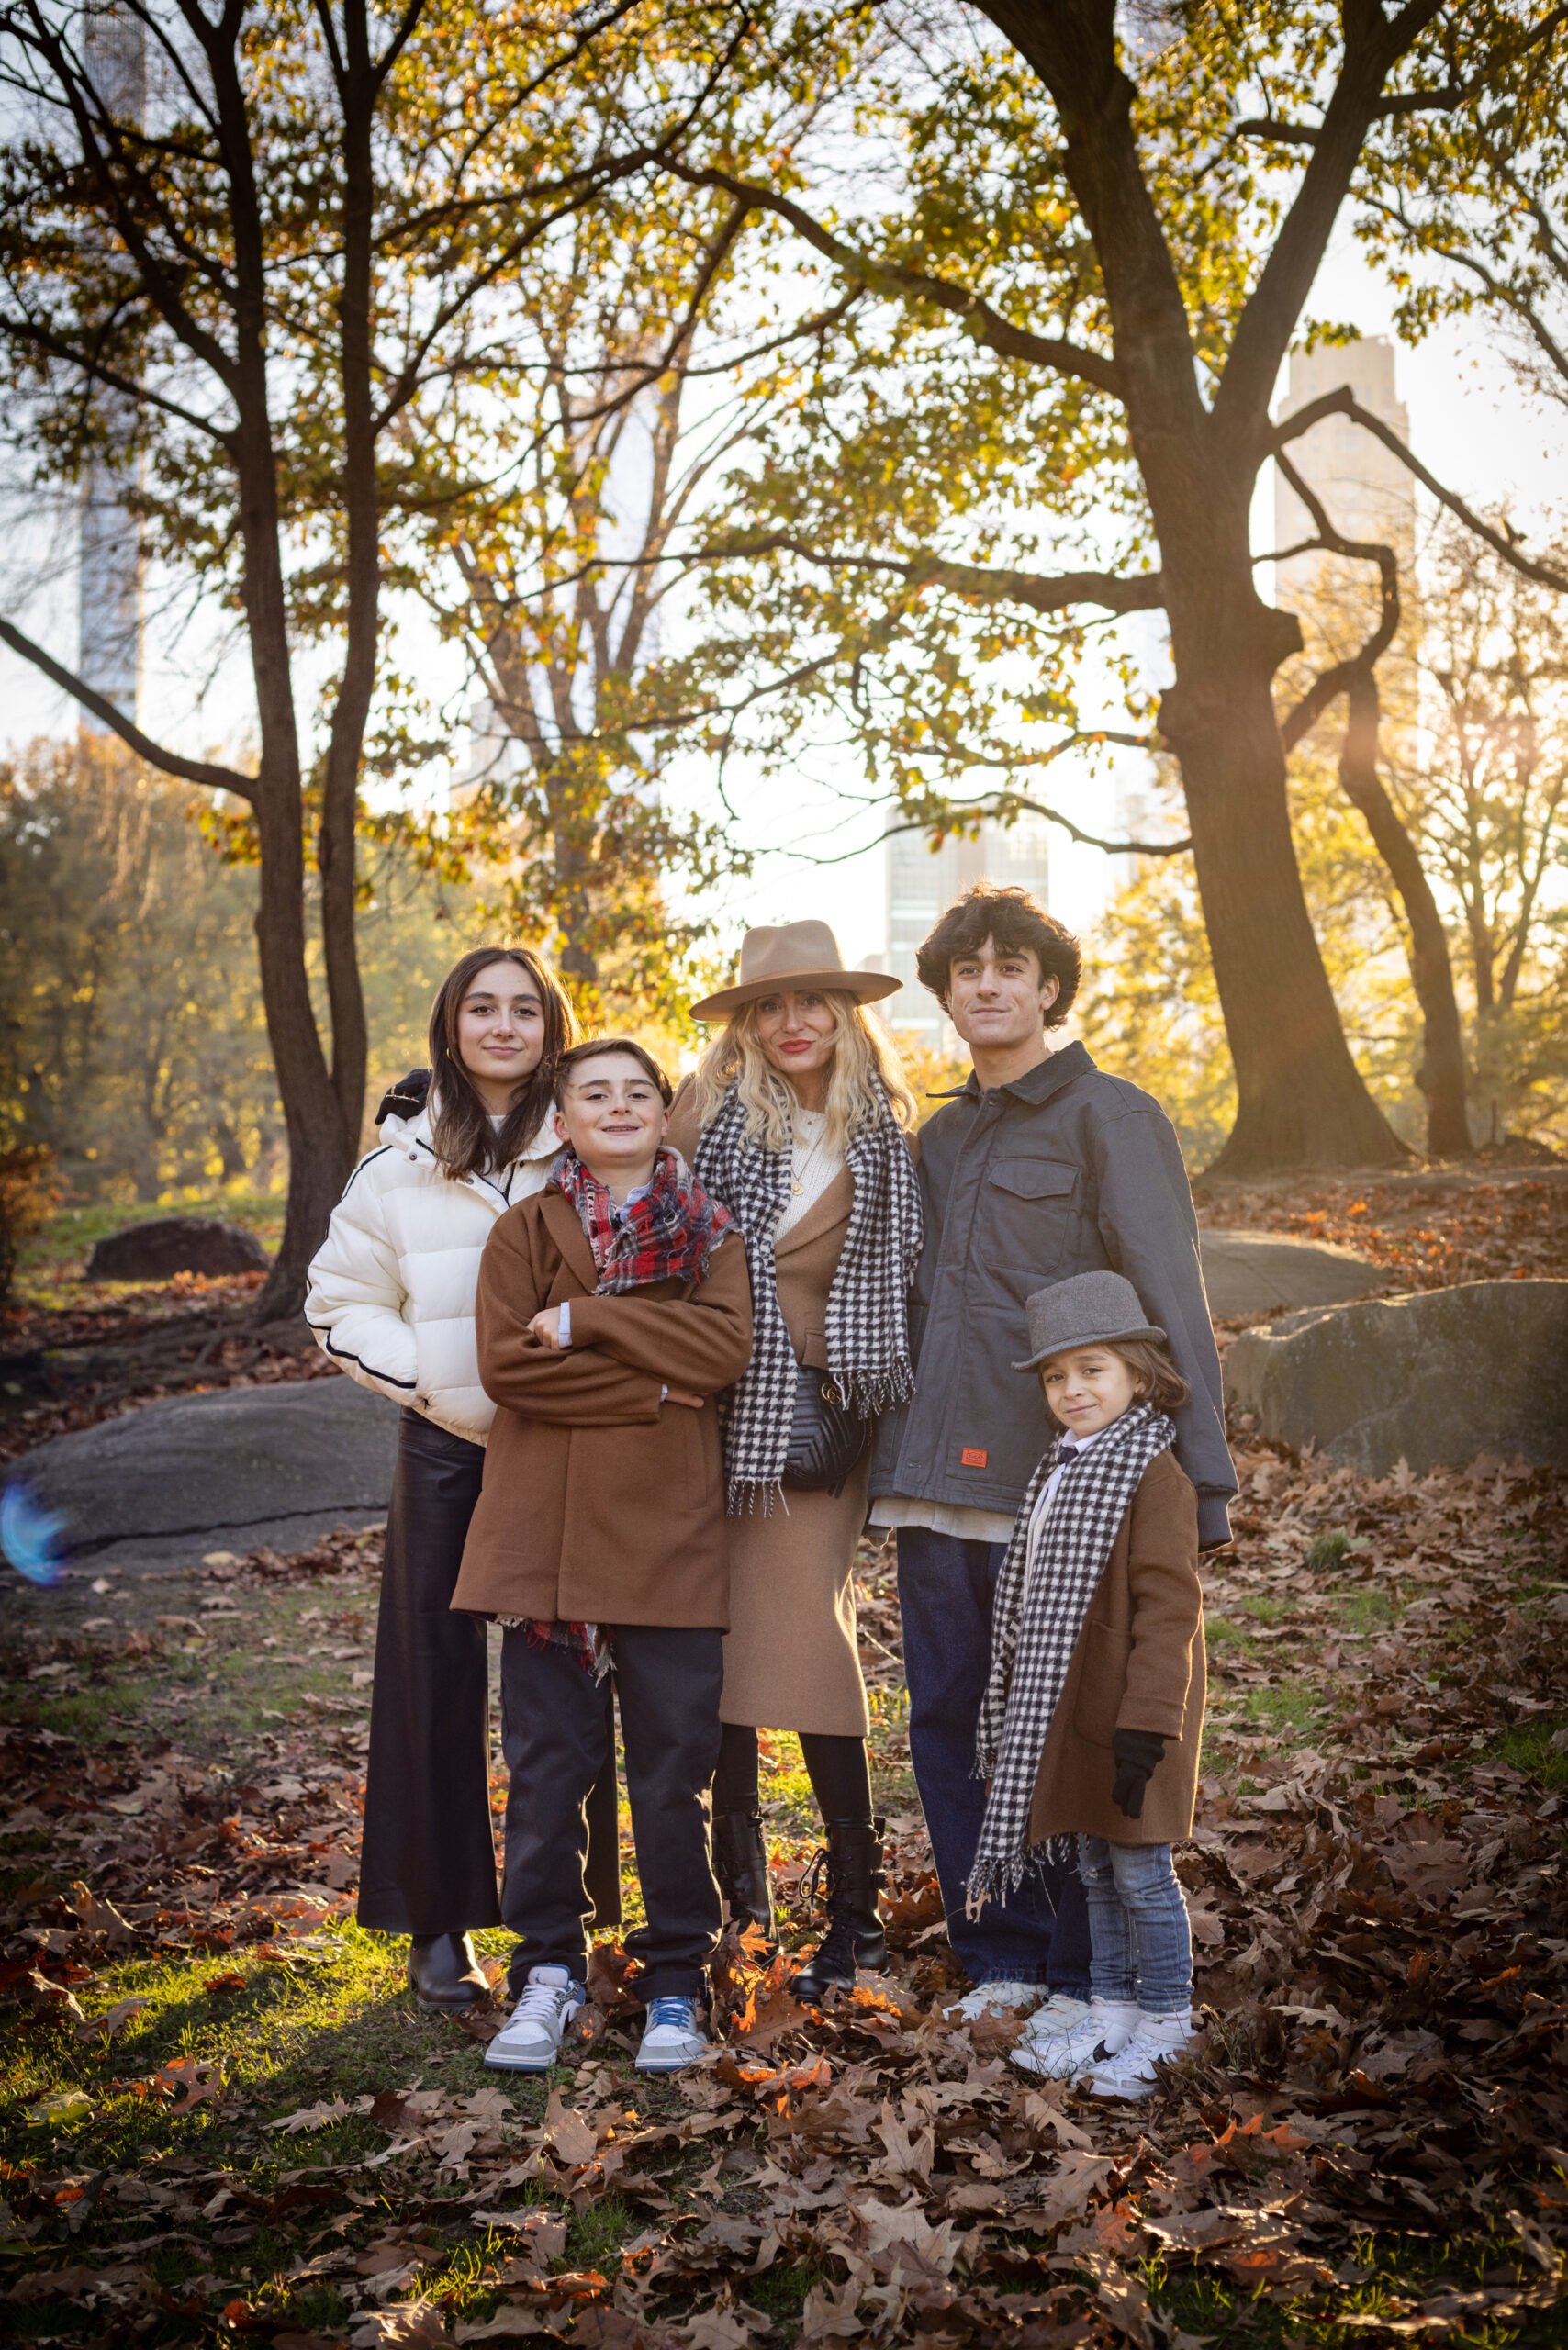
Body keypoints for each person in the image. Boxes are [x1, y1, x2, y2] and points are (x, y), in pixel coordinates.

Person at [868, 882, 1234, 2029]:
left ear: (1048, 988)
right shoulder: (937, 1135)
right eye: (965, 970)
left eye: (1009, 968)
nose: (986, 985)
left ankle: (1087, 1972)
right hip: (935, 1484)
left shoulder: (1109, 1116)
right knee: (947, 1724)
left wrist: (1201, 1475)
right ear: (945, 994)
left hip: (1063, 1486)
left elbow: (1169, 1295)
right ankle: (1002, 1958)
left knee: (1061, 1725)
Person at [304, 946, 615, 2012]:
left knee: (574, 1677)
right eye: (481, 1006)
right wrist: (434, 1375)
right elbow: (337, 1300)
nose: (502, 1024)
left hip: (569, 1445)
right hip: (445, 1444)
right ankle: (433, 1924)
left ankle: (579, 1912)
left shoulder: (581, 1144)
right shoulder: (394, 1163)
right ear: (451, 1023)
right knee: (430, 1677)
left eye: (524, 1009)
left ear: (549, 1026)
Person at [454, 1037, 754, 2074]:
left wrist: (586, 1320)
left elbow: (721, 1353)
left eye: (639, 1092)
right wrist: (652, 1391)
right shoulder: (522, 1229)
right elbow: (507, 1370)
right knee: (546, 1772)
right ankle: (548, 1969)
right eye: (595, 1093)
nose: (619, 1106)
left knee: (673, 1773)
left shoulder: (711, 1231)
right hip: (547, 1540)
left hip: (669, 1536)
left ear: (664, 1115)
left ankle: (675, 1978)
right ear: (562, 1119)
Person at [669, 920, 924, 2000]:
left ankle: (856, 1915)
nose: (791, 1023)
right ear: (745, 1024)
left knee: (808, 1643)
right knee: (718, 1646)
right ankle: (744, 1902)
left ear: (845, 1013)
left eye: (811, 1002)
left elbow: (911, 1283)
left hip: (824, 1420)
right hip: (712, 1418)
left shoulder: (884, 1136)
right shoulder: (706, 1120)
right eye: (769, 1007)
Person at [969, 1271, 1205, 2101]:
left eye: (1093, 1370)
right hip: (1074, 1713)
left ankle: (1168, 2023)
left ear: (1138, 1373)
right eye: (1056, 1376)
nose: (1073, 1390)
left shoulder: (1152, 1474)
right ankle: (1111, 2011)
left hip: (1134, 1715)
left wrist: (1148, 1719)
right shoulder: (1060, 1470)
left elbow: (1168, 1609)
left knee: (1142, 1873)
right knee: (1097, 1872)